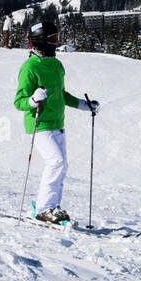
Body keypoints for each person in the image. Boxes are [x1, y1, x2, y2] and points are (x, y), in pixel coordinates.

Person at [14, 17, 98, 224]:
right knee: (56, 162)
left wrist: (82, 104)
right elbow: (19, 101)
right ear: (41, 40)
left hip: (58, 123)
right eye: (53, 38)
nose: (57, 41)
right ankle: (44, 208)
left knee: (61, 165)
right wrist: (33, 100)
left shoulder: (57, 65)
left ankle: (52, 206)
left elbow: (61, 94)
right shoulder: (29, 67)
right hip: (40, 123)